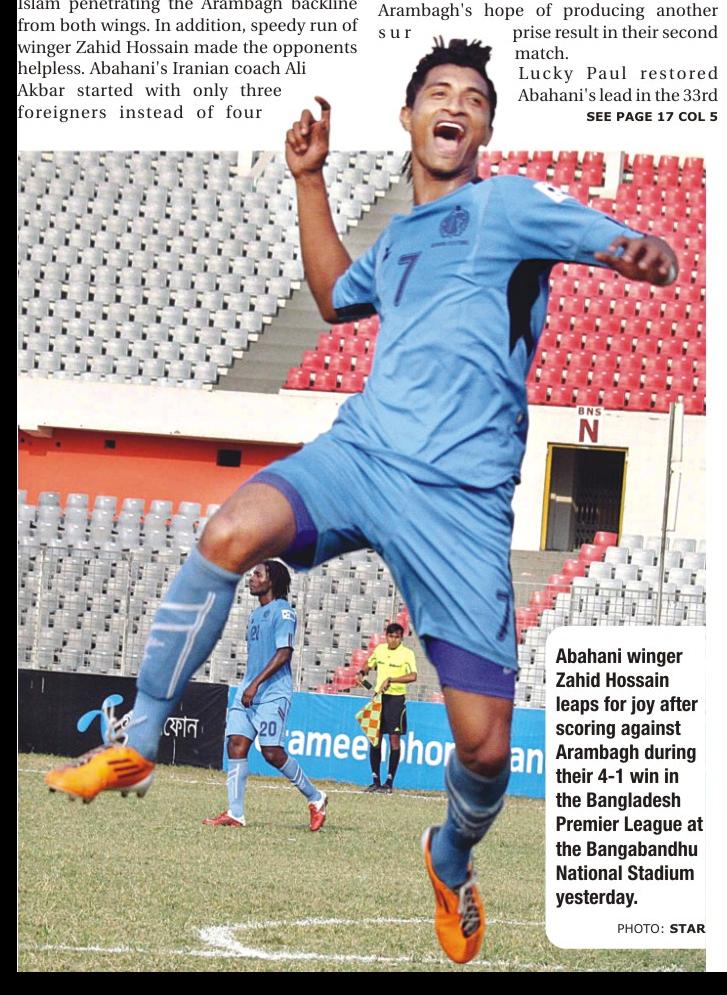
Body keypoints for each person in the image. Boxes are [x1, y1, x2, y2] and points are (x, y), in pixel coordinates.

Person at [46, 38, 677, 964]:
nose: (453, 104)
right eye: (438, 92)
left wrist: (637, 251)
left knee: (486, 750)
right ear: (409, 117)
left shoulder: (506, 205)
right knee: (227, 533)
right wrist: (309, 179)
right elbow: (337, 295)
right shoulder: (402, 239)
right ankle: (137, 739)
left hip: (459, 504)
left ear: (485, 129)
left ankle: (448, 856)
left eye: (472, 97)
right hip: (364, 453)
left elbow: (604, 236)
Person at [202, 560, 327, 831]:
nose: (252, 578)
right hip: (249, 689)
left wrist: (256, 684)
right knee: (236, 744)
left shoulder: (284, 612)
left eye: (258, 575)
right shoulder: (255, 615)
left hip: (272, 692)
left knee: (271, 753)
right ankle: (236, 813)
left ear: (272, 581)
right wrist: (250, 685)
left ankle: (316, 798)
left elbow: (284, 653)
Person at [356, 622, 417, 793]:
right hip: (378, 699)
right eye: (390, 636)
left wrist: (392, 680)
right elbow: (369, 664)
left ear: (401, 638)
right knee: (375, 738)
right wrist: (362, 673)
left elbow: (413, 676)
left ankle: (389, 782)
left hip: (396, 700)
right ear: (386, 636)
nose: (393, 640)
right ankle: (375, 780)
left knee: (394, 740)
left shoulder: (407, 653)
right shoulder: (380, 650)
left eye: (397, 637)